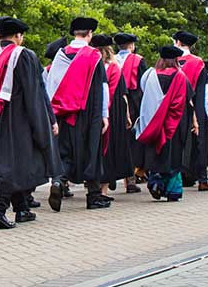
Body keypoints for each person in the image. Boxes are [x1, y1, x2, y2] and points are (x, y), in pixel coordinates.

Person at [0, 17, 56, 228]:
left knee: (7, 162)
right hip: (18, 120)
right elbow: (35, 94)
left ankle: (21, 209)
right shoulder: (24, 55)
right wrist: (44, 123)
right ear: (18, 36)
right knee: (16, 164)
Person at [45, 16, 110, 210]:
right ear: (89, 34)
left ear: (74, 33)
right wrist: (104, 114)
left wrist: (52, 114)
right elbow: (103, 87)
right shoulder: (94, 55)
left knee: (65, 152)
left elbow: (51, 85)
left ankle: (58, 181)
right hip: (88, 113)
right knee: (91, 152)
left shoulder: (60, 54)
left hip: (63, 112)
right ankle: (93, 196)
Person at [136, 46, 196, 202]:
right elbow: (187, 101)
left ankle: (156, 180)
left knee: (157, 152)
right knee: (174, 155)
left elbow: (145, 97)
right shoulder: (180, 77)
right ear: (176, 60)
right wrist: (194, 121)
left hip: (154, 121)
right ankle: (171, 190)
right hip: (175, 124)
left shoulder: (151, 75)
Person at [95, 34, 135, 196]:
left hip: (93, 111)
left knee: (96, 148)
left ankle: (96, 186)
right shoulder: (115, 67)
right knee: (109, 150)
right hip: (113, 112)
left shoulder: (89, 64)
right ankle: (103, 190)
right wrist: (127, 116)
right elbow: (123, 94)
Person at [176, 31, 208, 191]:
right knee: (200, 143)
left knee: (179, 142)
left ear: (177, 42)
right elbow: (206, 91)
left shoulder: (171, 61)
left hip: (178, 106)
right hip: (197, 107)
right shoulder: (198, 63)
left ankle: (179, 177)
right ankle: (202, 180)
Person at [113, 32, 146, 184]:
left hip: (113, 102)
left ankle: (111, 175)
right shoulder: (138, 60)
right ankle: (130, 179)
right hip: (133, 102)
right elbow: (143, 84)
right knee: (133, 140)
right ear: (132, 46)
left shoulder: (110, 60)